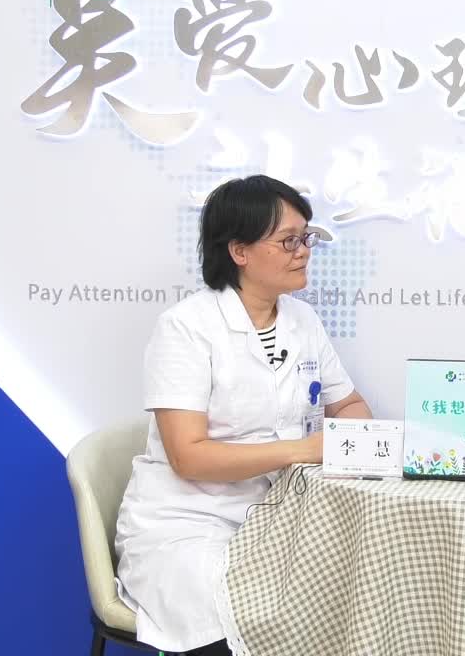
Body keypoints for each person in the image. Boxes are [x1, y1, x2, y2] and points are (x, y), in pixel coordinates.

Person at [114, 174, 372, 656]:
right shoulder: (186, 327)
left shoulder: (302, 321)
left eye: (306, 238)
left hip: (282, 518)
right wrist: (305, 450)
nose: (304, 251)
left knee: (350, 599)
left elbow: (350, 405)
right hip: (189, 523)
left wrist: (349, 441)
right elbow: (189, 457)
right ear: (239, 251)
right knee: (228, 613)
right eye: (288, 240)